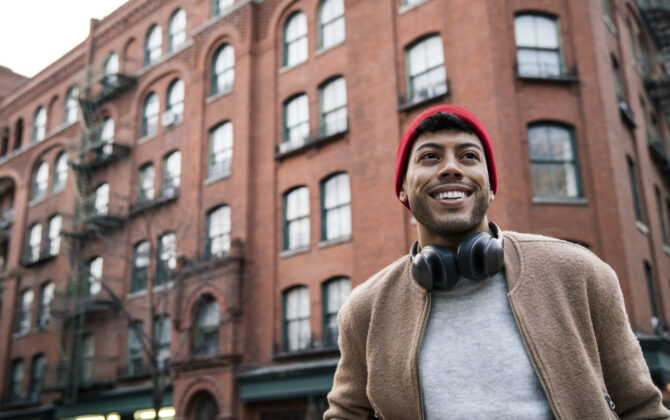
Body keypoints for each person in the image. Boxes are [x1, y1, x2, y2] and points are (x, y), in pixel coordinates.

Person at [324, 104, 670, 419]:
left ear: (490, 187)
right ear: (402, 189)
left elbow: (642, 409)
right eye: (429, 157)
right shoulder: (365, 310)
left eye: (469, 156)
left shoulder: (581, 273)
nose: (450, 168)